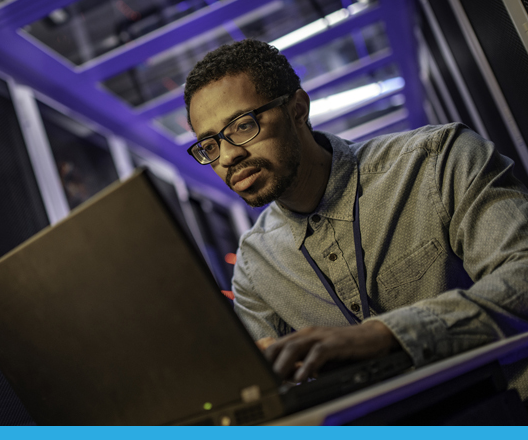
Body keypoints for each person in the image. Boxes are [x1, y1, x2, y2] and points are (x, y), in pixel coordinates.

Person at [183, 39, 528, 397]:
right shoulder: (256, 266)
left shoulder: (436, 161)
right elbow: (257, 393)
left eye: (242, 125)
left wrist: (384, 335)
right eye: (209, 145)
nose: (226, 157)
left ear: (298, 109)